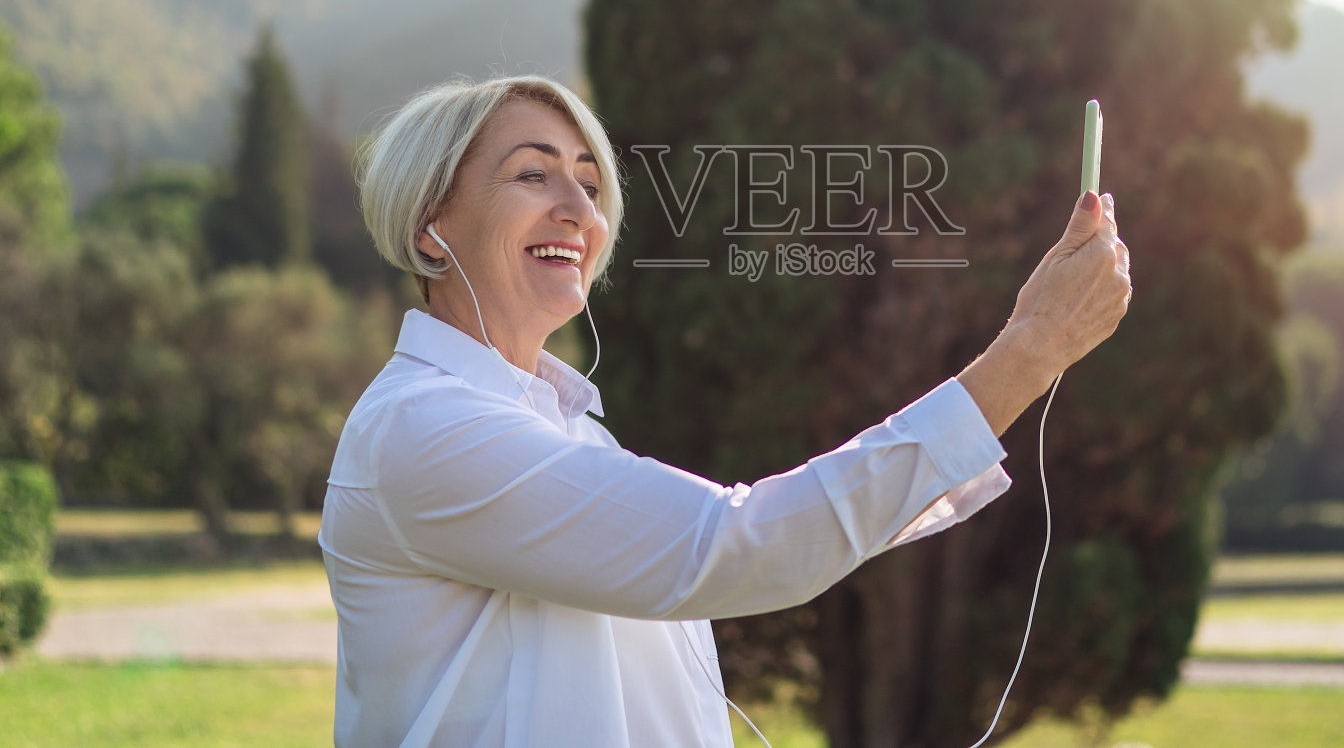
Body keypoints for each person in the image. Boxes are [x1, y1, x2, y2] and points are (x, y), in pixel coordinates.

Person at [319, 75, 1131, 748]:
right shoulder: (422, 427)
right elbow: (735, 545)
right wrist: (1027, 353)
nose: (580, 209)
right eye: (534, 174)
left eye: (591, 184)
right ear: (431, 231)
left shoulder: (566, 429)